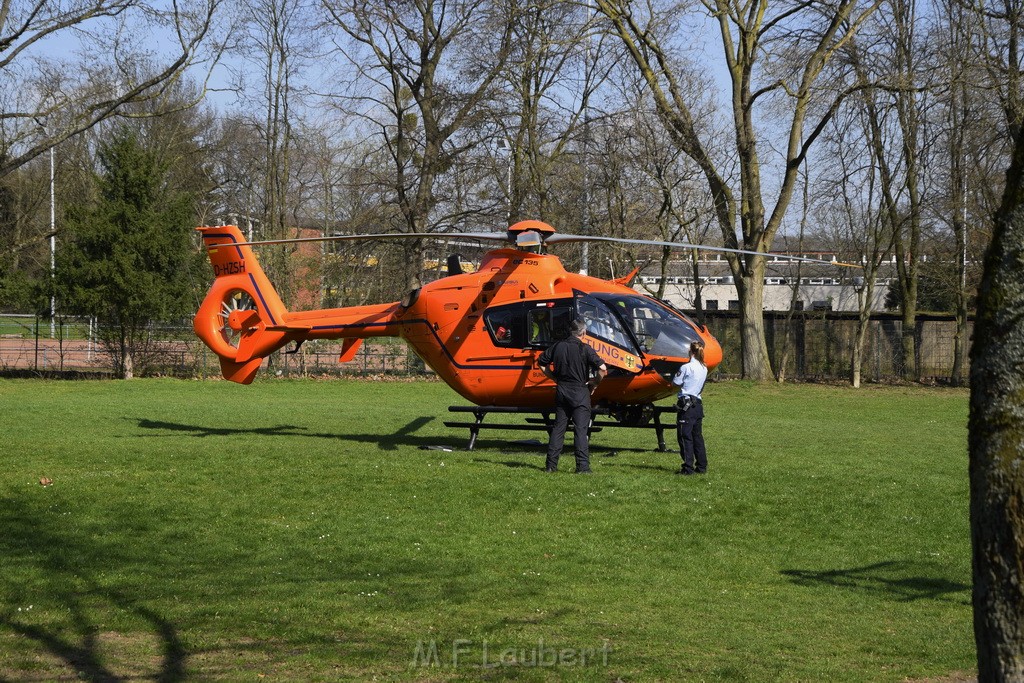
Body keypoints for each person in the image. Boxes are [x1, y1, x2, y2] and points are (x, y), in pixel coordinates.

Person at [538, 319, 607, 473]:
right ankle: (582, 467)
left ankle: (550, 466)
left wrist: (554, 377)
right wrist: (595, 383)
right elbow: (602, 368)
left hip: (562, 390)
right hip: (580, 392)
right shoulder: (585, 348)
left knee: (558, 429)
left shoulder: (558, 346)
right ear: (583, 333)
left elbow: (541, 362)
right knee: (580, 431)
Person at [672, 340, 708, 475]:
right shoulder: (704, 367)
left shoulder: (686, 367)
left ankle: (687, 468)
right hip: (697, 405)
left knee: (684, 436)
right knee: (697, 436)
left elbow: (676, 382)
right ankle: (702, 466)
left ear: (690, 352)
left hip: (687, 405)